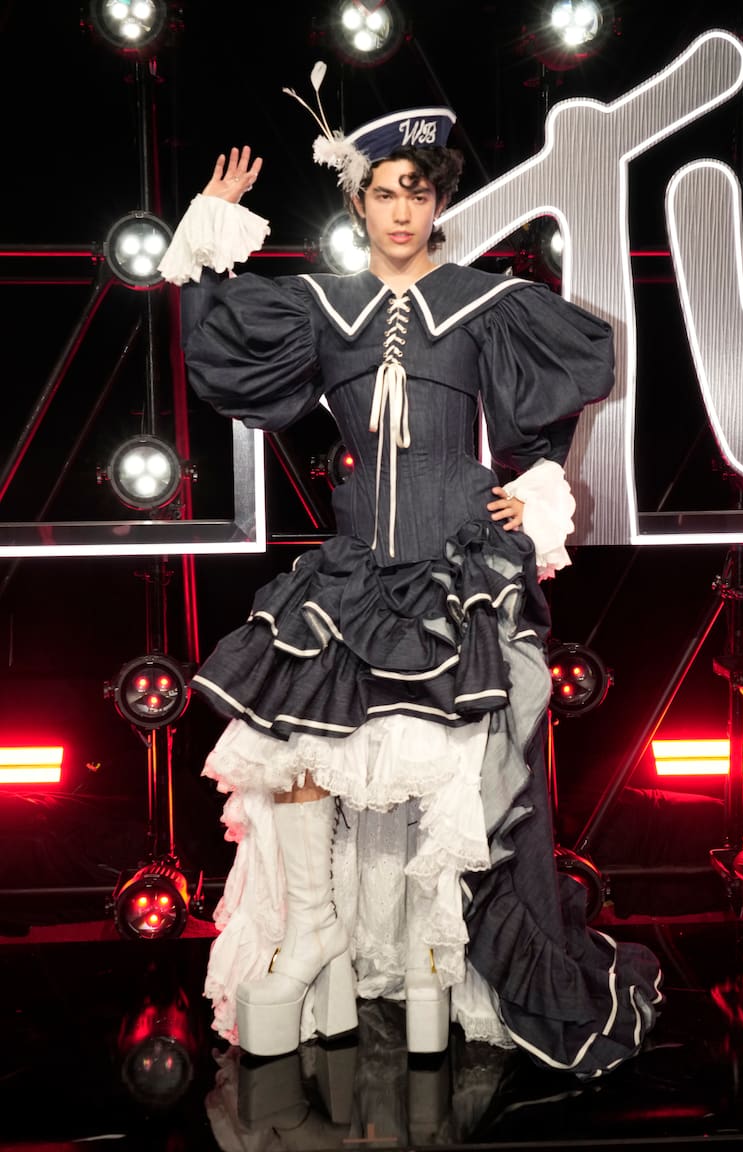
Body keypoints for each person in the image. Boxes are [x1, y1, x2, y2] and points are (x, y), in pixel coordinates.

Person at [158, 71, 663, 1079]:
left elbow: (554, 394)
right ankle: (323, 946)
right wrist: (210, 230)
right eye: (384, 192)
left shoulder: (486, 302)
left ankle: (435, 962)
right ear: (358, 203)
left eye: (418, 192)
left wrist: (535, 482)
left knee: (453, 778)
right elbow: (221, 352)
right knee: (301, 755)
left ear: (438, 201)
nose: (401, 210)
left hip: (455, 566)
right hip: (355, 571)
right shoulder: (324, 306)